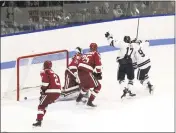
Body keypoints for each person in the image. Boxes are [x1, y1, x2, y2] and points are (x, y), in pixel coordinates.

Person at [105, 32, 136, 98]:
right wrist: (133, 42)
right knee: (131, 79)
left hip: (122, 63)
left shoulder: (122, 44)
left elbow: (112, 43)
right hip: (130, 64)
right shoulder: (133, 45)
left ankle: (125, 90)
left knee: (121, 79)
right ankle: (130, 90)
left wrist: (109, 37)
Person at [33, 60, 61, 127]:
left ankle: (39, 121)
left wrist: (42, 91)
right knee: (44, 105)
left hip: (50, 92)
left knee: (41, 106)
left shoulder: (45, 72)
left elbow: (45, 83)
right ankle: (40, 119)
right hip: (58, 92)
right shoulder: (54, 73)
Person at [76, 43, 102, 107]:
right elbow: (98, 65)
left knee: (87, 86)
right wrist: (99, 73)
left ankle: (78, 99)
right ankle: (90, 102)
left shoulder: (84, 54)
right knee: (98, 86)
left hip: (79, 72)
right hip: (87, 71)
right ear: (96, 48)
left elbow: (79, 64)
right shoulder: (96, 54)